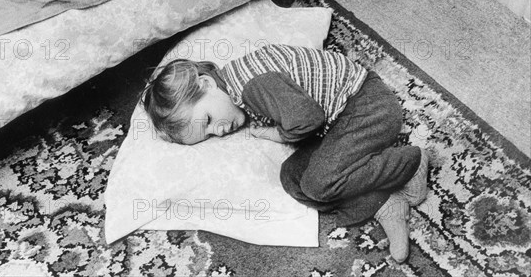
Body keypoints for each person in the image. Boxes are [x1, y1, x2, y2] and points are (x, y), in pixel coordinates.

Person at [141, 44, 429, 263]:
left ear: (206, 84)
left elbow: (309, 118)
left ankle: (410, 162)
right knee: (292, 177)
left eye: (207, 120)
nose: (218, 130)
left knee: (320, 182)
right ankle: (382, 204)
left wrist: (275, 134)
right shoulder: (235, 93)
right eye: (207, 134)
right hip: (338, 123)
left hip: (367, 106)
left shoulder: (253, 85)